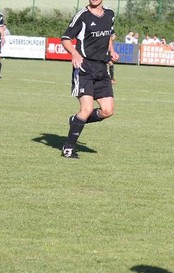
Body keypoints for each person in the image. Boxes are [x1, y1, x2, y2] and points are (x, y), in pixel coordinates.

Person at [60, 0, 118, 159]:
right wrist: (74, 53)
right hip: (84, 67)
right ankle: (68, 148)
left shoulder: (110, 14)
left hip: (102, 69)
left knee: (107, 111)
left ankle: (76, 120)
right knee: (86, 110)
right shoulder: (82, 16)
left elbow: (109, 35)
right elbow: (65, 38)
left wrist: (112, 51)